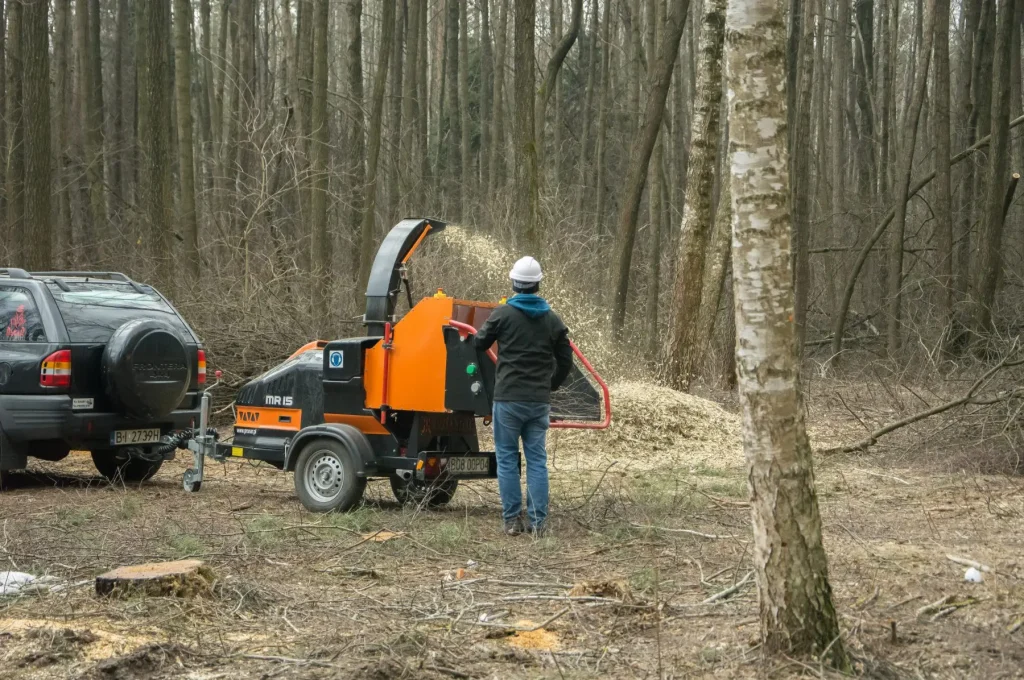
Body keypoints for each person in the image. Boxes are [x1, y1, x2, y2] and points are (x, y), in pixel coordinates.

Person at [474, 256, 573, 536]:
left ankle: (511, 521)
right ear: (538, 284)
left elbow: (479, 342)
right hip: (538, 401)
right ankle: (539, 523)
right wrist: (551, 384)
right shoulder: (553, 320)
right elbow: (566, 361)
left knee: (506, 458)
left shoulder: (503, 314)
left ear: (514, 283)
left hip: (508, 400)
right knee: (537, 460)